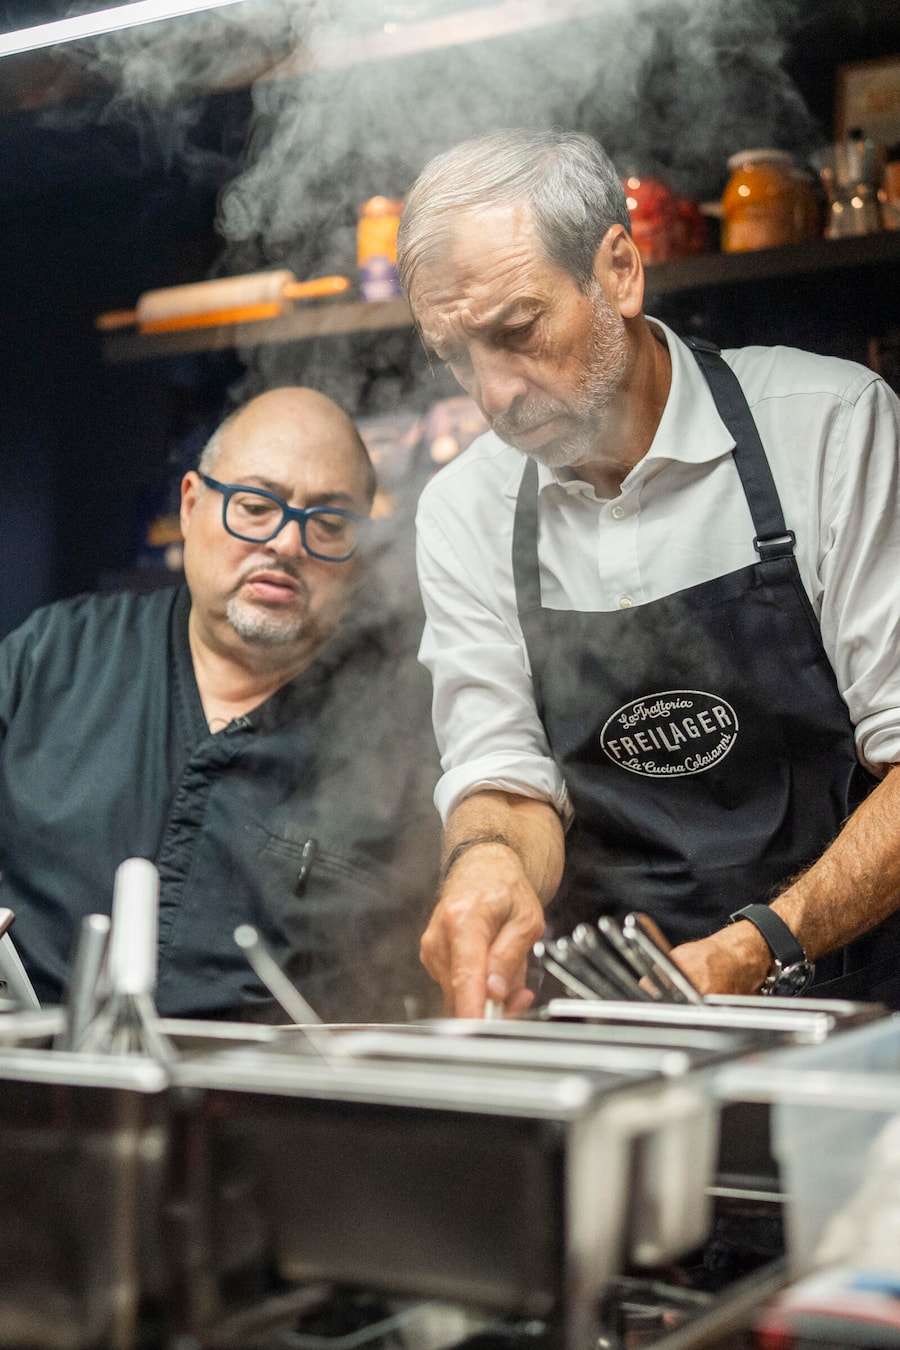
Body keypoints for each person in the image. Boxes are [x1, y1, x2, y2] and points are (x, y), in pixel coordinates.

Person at [397, 127, 900, 1018]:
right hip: (613, 1017)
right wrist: (487, 868)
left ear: (620, 270)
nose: (494, 394)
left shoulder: (827, 428)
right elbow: (506, 774)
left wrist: (754, 949)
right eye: (456, 354)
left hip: (856, 1008)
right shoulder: (465, 509)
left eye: (518, 330)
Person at [0, 386, 442, 1022]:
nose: (288, 545)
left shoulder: (401, 735)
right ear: (190, 506)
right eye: (257, 506)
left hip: (271, 1104)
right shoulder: (52, 659)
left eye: (329, 523)